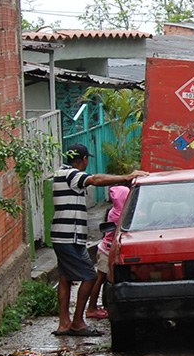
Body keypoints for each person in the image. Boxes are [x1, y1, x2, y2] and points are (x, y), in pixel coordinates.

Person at [51, 144, 147, 337]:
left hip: (62, 234)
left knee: (65, 277)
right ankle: (77, 322)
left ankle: (64, 323)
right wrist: (127, 177)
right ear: (84, 159)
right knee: (89, 276)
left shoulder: (60, 173)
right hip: (70, 235)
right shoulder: (72, 175)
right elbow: (94, 179)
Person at [85, 184, 130, 321]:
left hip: (107, 249)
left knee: (103, 280)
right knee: (100, 279)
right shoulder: (120, 214)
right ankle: (91, 308)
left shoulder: (114, 211)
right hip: (106, 251)